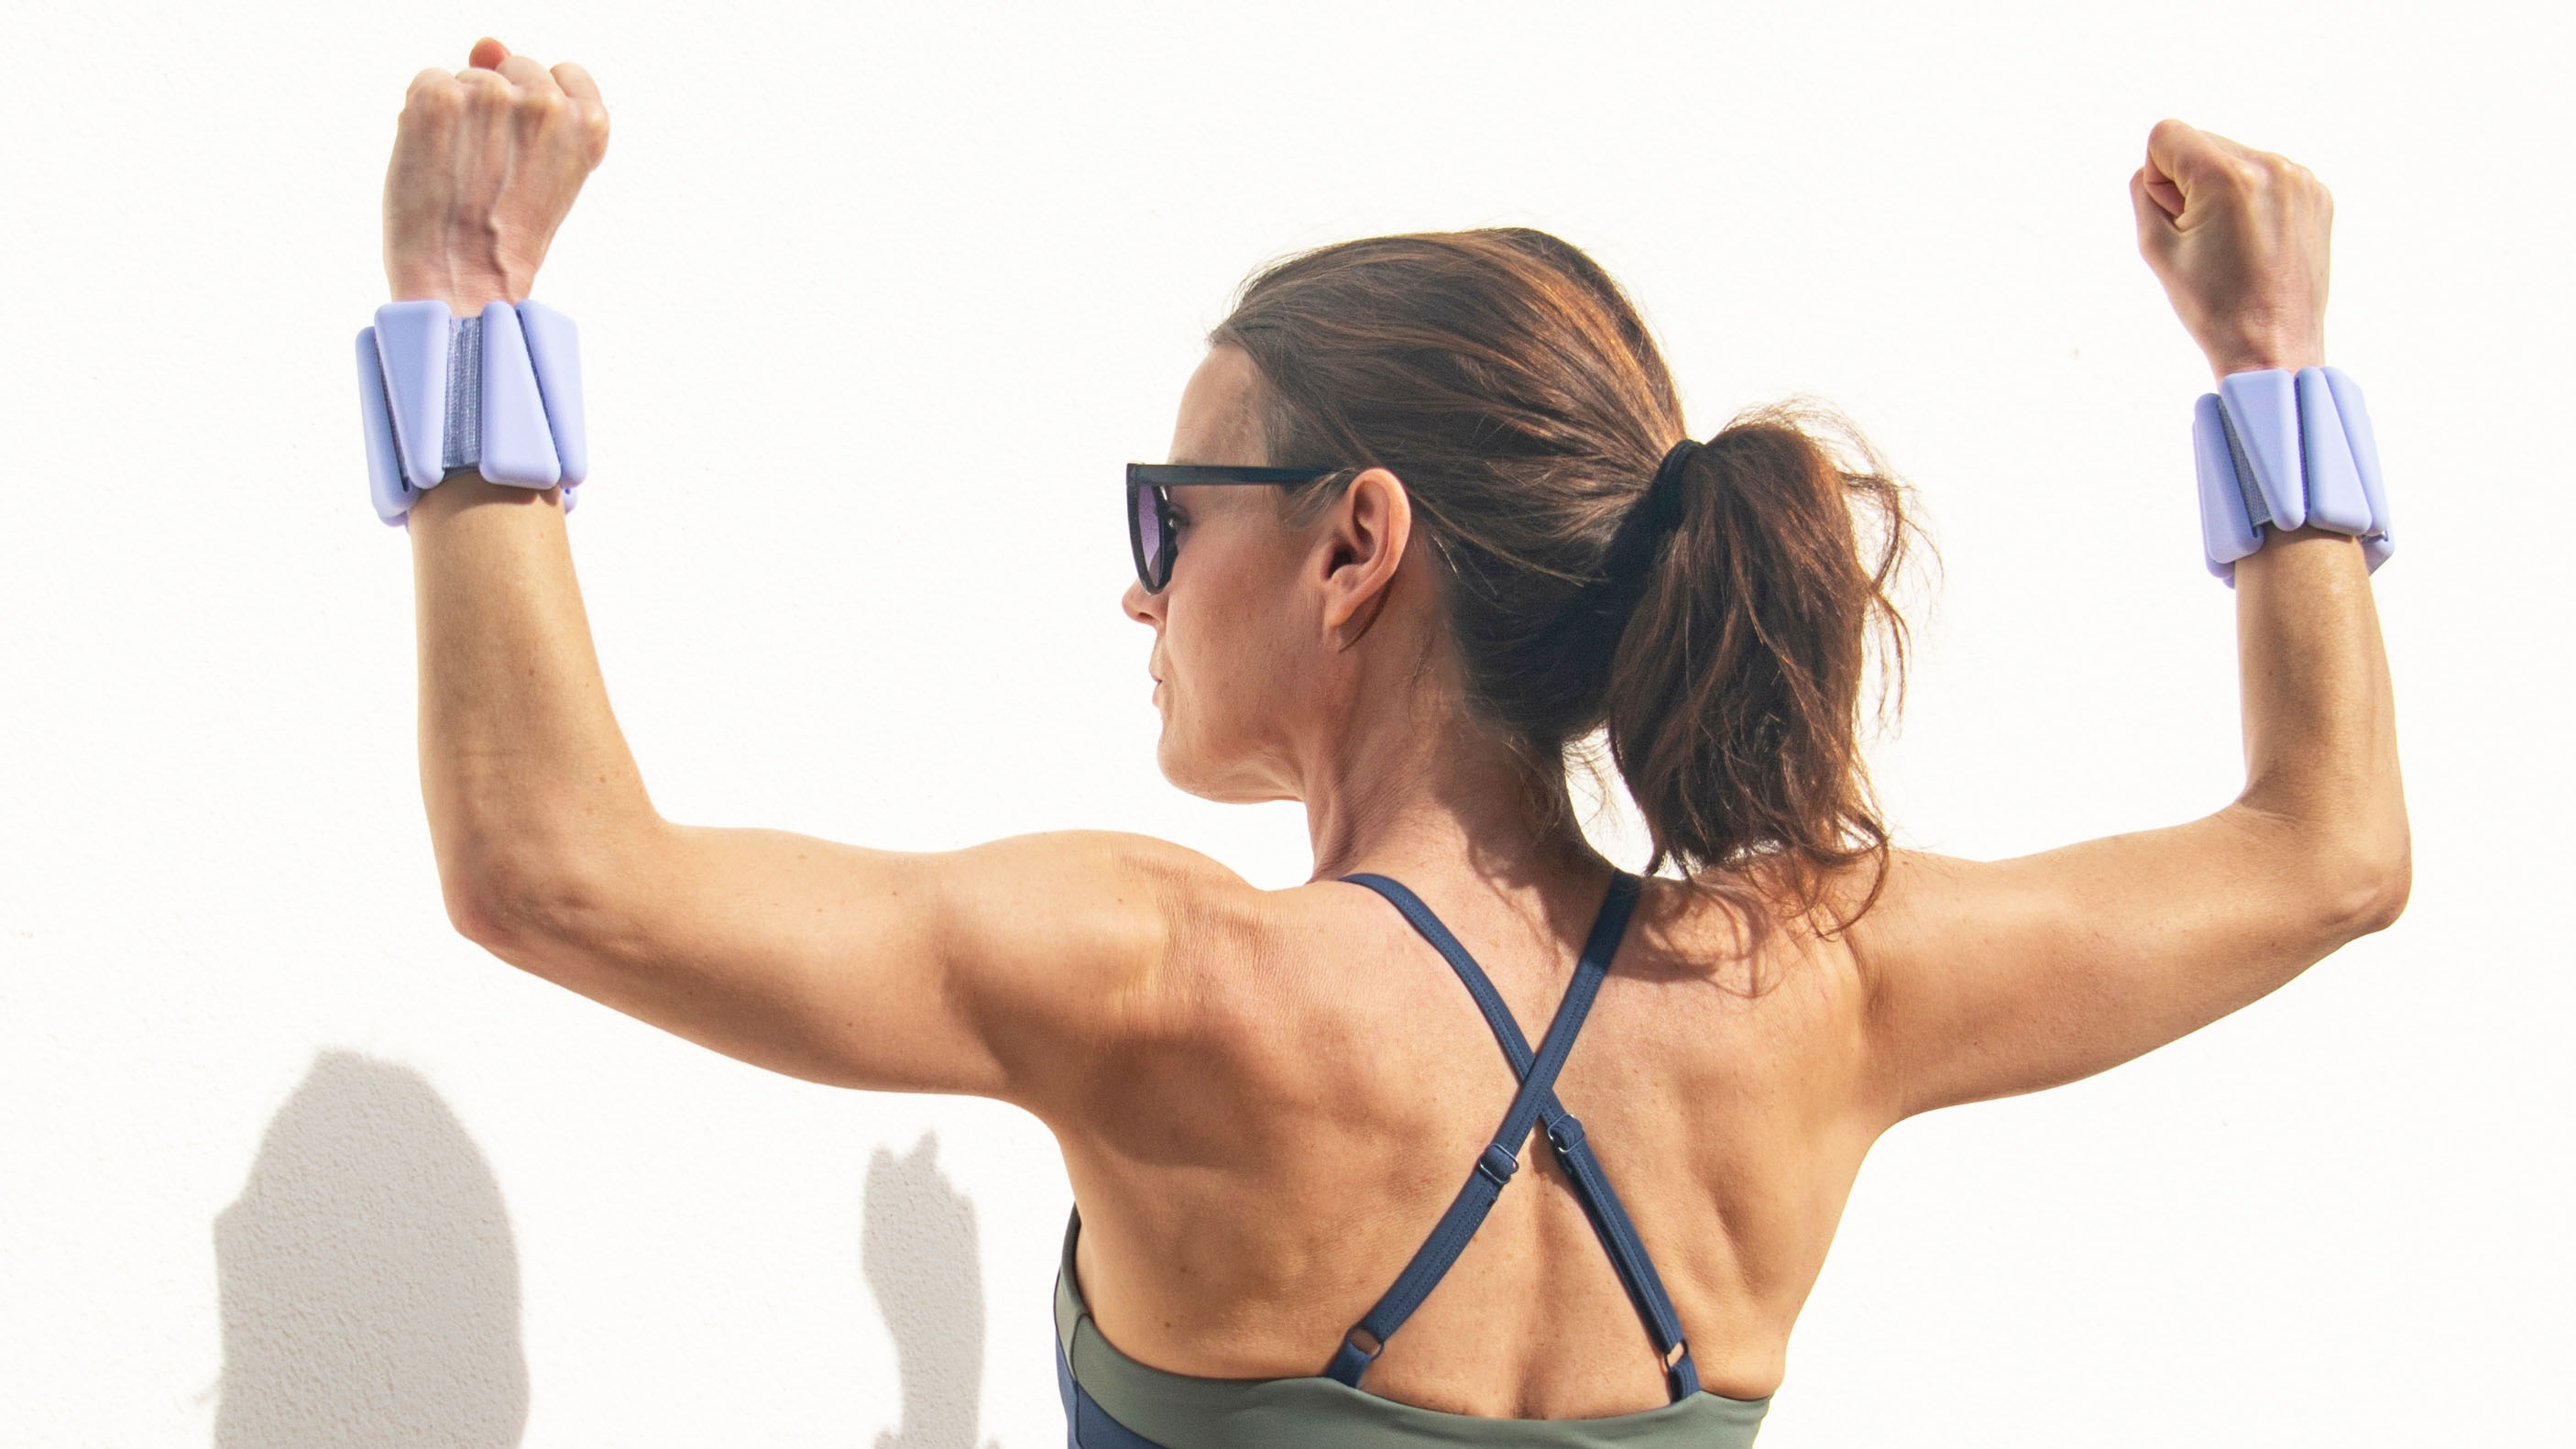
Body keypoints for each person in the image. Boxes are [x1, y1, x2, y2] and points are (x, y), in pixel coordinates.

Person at [384, 37, 2407, 1446]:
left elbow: (553, 867)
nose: (1138, 588)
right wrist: (2267, 367)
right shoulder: (1810, 988)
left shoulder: (1160, 978)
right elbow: (2326, 849)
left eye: (1168, 517)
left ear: (1356, 542)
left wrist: (467, 305)